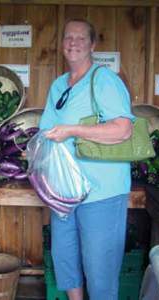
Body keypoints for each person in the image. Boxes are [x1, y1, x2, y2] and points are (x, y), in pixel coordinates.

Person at [39, 19, 135, 300]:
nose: (73, 43)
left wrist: (72, 130)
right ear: (61, 44)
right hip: (64, 191)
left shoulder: (104, 80)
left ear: (92, 45)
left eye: (81, 38)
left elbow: (123, 129)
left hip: (101, 192)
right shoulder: (58, 85)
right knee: (65, 256)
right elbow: (47, 130)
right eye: (68, 37)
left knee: (100, 269)